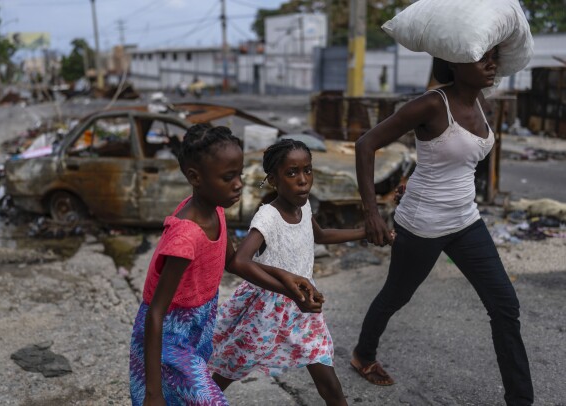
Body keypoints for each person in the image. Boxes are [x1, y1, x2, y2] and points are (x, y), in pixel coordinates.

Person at [352, 48, 534, 405]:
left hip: (465, 220)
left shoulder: (484, 102)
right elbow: (365, 144)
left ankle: (520, 400)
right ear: (453, 61)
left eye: (493, 56)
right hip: (423, 224)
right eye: (482, 57)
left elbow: (455, 158)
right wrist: (372, 212)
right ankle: (363, 354)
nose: (491, 63)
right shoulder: (431, 105)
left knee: (505, 306)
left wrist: (412, 175)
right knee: (396, 295)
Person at [129, 125, 321, 406]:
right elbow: (156, 312)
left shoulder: (216, 210)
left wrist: (287, 281)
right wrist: (152, 392)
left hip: (199, 326)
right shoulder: (185, 237)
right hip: (170, 339)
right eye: (228, 177)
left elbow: (232, 262)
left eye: (240, 174)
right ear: (195, 177)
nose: (239, 184)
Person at [210, 138, 369, 406]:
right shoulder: (268, 217)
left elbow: (320, 234)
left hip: (303, 307)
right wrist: (286, 288)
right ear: (273, 180)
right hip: (265, 310)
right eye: (292, 173)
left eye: (307, 170)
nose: (303, 180)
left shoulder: (304, 206)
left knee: (328, 380)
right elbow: (239, 261)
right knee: (226, 372)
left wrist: (366, 232)